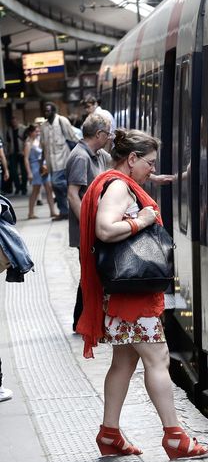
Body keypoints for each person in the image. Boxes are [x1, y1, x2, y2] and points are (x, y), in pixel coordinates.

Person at [75, 129, 208, 460]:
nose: (151, 169)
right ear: (131, 159)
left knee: (124, 361)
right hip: (132, 298)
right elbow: (105, 228)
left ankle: (109, 435)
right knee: (158, 358)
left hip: (123, 295)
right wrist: (142, 220)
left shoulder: (114, 182)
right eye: (149, 163)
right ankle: (174, 436)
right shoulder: (119, 186)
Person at [67, 113, 113, 331]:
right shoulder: (80, 157)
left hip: (98, 224)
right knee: (91, 273)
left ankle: (84, 321)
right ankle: (83, 322)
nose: (110, 137)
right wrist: (88, 225)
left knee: (93, 273)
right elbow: (73, 195)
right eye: (108, 133)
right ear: (99, 134)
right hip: (87, 228)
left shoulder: (98, 154)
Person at [39, 102, 77, 219]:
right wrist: (42, 161)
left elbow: (72, 138)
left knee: (56, 182)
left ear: (54, 111)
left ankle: (73, 193)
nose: (46, 113)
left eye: (48, 110)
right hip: (51, 163)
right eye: (45, 111)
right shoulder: (43, 126)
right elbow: (43, 145)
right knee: (56, 187)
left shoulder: (62, 121)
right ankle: (64, 211)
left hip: (64, 160)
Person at [24, 125, 55, 220]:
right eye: (36, 131)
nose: (38, 133)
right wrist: (29, 172)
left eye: (38, 131)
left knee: (49, 189)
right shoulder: (28, 143)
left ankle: (53, 211)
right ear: (30, 132)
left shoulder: (39, 141)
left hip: (43, 167)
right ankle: (30, 213)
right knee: (36, 190)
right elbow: (25, 159)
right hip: (35, 168)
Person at [5, 116, 26, 195]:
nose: (14, 123)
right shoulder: (9, 130)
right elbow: (8, 142)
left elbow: (26, 140)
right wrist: (7, 153)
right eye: (12, 121)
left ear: (18, 121)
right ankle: (17, 187)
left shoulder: (23, 129)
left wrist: (24, 151)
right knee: (13, 171)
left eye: (15, 121)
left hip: (22, 152)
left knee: (24, 172)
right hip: (12, 153)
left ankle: (24, 188)